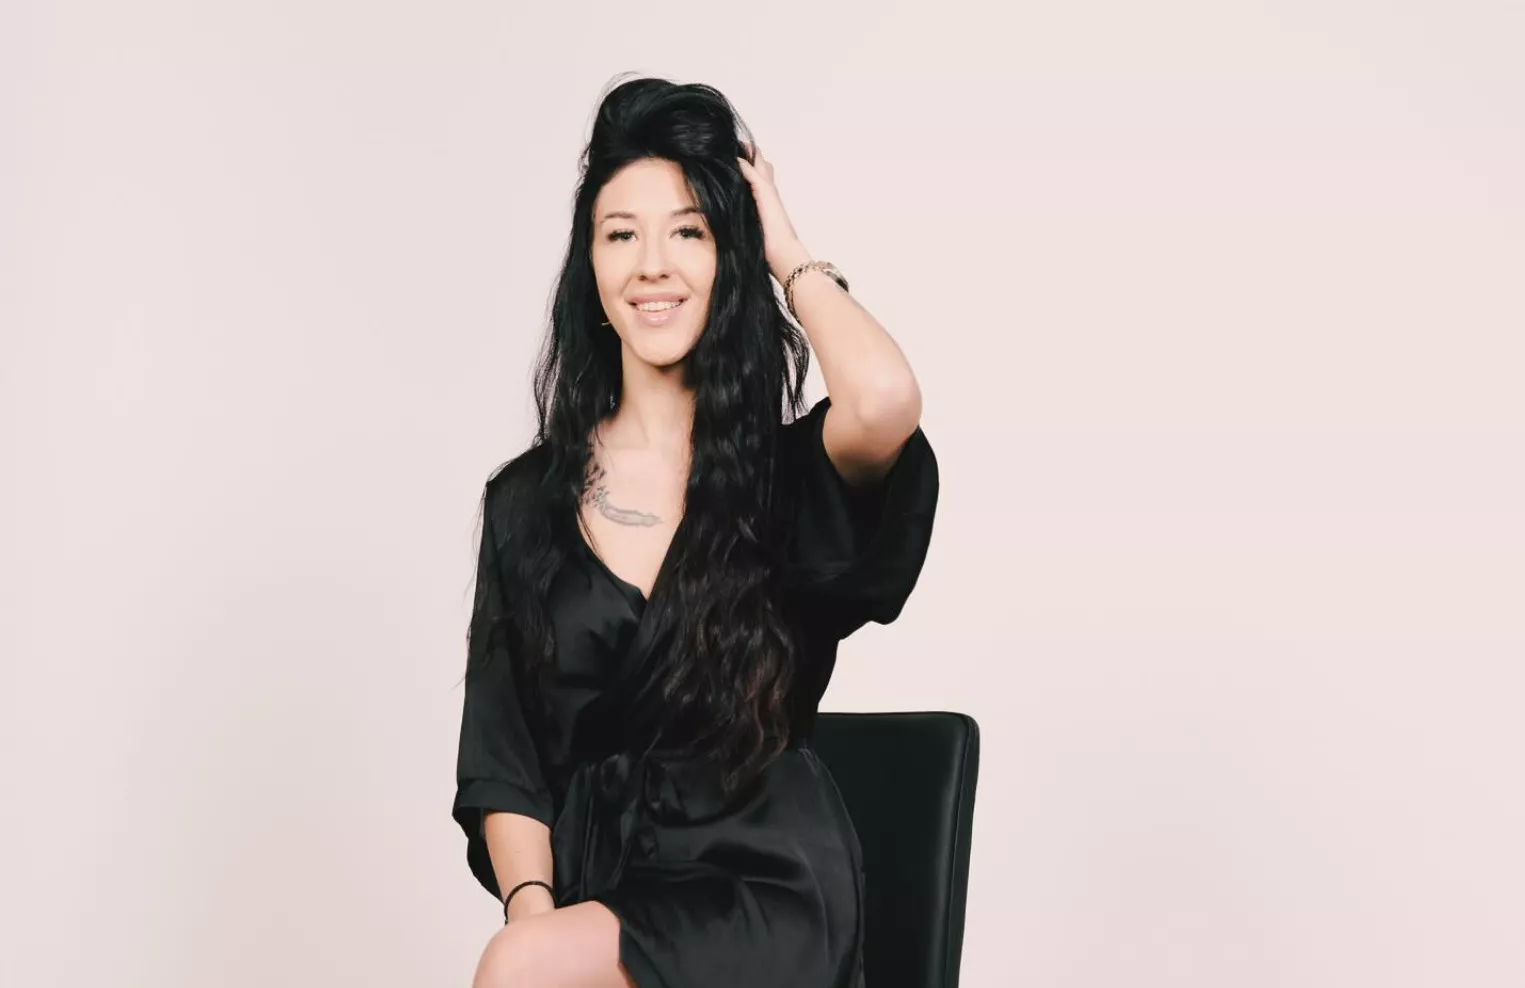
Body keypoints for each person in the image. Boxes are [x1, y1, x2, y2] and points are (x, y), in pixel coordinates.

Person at [452, 76, 939, 988]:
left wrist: (786, 251)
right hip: (602, 888)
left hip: (766, 883)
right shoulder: (525, 503)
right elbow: (501, 760)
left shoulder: (785, 476)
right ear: (590, 269)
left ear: (728, 257)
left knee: (523, 969)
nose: (652, 265)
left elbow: (883, 400)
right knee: (525, 961)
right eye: (620, 235)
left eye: (688, 232)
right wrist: (534, 915)